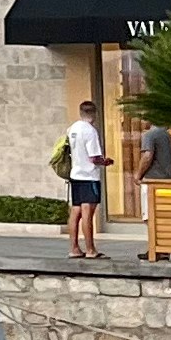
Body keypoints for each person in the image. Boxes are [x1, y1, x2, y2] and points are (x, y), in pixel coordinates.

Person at [59, 94, 106, 258]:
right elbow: (94, 157)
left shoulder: (72, 128)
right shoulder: (90, 131)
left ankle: (74, 248)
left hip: (75, 174)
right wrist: (105, 162)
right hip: (89, 176)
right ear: (94, 114)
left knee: (75, 211)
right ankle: (91, 249)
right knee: (87, 213)